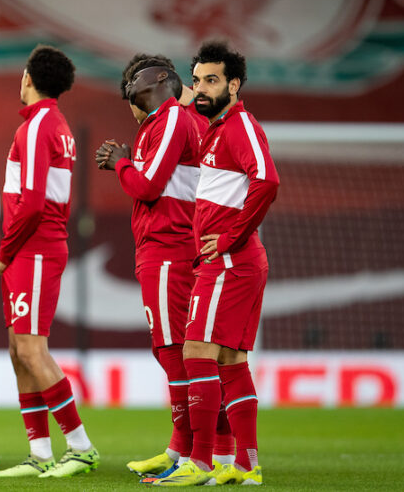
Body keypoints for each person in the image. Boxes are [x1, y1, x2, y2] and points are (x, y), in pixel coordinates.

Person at [154, 41, 279, 487]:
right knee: (230, 360)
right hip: (235, 261)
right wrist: (192, 101)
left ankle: (201, 461)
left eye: (212, 80)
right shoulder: (216, 127)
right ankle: (246, 465)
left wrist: (230, 236)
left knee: (196, 353)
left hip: (230, 261)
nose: (201, 89)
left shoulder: (240, 126)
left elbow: (267, 180)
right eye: (197, 80)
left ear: (235, 84)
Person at [0, 45, 100, 478]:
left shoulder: (38, 127)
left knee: (33, 350)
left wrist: (5, 250)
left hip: (33, 247)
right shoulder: (53, 125)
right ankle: (39, 453)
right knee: (20, 350)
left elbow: (33, 204)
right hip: (31, 248)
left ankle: (80, 446)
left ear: (27, 78)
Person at [95, 55, 202, 480]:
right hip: (160, 247)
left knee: (174, 349)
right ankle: (182, 449)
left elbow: (147, 187)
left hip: (170, 247)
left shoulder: (172, 118)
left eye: (135, 77)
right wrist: (126, 161)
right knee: (173, 348)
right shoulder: (156, 125)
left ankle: (196, 453)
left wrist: (120, 162)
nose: (127, 84)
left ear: (161, 79)